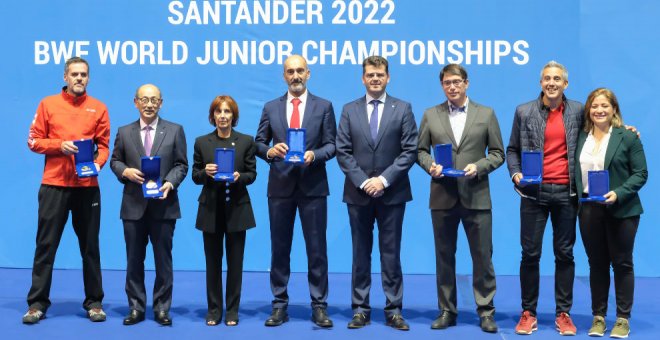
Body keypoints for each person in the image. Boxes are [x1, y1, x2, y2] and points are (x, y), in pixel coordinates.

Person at [417, 64, 504, 333]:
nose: (452, 87)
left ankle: (486, 310)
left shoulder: (486, 114)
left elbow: (498, 153)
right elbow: (420, 150)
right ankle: (447, 310)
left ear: (466, 83)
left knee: (482, 257)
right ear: (442, 85)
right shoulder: (431, 115)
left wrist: (479, 166)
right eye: (446, 83)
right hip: (442, 196)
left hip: (476, 195)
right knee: (444, 256)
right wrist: (430, 165)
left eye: (456, 82)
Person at [24, 56, 110, 324]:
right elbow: (34, 141)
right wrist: (59, 145)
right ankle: (37, 304)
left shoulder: (98, 108)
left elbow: (105, 145)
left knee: (90, 247)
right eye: (74, 74)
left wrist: (97, 163)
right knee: (46, 246)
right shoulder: (48, 104)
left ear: (89, 78)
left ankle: (94, 302)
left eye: (83, 74)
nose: (79, 79)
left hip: (87, 187)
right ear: (65, 77)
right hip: (54, 186)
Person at [254, 54, 337, 328]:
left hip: (313, 187)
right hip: (280, 187)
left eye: (300, 70)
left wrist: (315, 154)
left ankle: (319, 306)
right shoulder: (270, 107)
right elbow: (258, 142)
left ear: (308, 73)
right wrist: (270, 151)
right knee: (280, 249)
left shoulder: (324, 106)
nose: (295, 76)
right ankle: (279, 305)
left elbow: (332, 145)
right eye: (290, 71)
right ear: (284, 76)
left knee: (317, 250)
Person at [336, 55, 417, 331]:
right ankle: (360, 309)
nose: (375, 79)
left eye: (380, 74)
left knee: (390, 254)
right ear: (363, 78)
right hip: (358, 194)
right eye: (370, 74)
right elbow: (343, 151)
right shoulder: (349, 110)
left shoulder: (403, 109)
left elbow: (409, 151)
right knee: (360, 254)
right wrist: (363, 181)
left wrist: (382, 180)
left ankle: (394, 310)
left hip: (392, 194)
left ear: (388, 77)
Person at [506, 61, 583, 336]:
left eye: (557, 79)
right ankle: (528, 313)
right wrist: (515, 174)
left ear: (565, 84)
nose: (552, 83)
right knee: (530, 254)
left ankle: (563, 313)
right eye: (547, 78)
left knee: (565, 254)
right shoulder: (524, 111)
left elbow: (602, 131)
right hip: (533, 193)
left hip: (567, 193)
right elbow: (512, 149)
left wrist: (627, 130)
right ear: (541, 83)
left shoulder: (579, 111)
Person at [110, 84, 188, 326]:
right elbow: (114, 161)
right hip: (133, 206)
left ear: (161, 103)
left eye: (154, 100)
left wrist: (169, 183)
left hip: (164, 206)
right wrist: (126, 172)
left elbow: (181, 165)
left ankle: (162, 308)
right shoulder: (124, 132)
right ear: (135, 102)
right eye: (144, 99)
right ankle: (136, 308)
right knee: (134, 259)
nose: (149, 104)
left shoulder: (175, 130)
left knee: (163, 260)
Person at [575, 88, 647, 338]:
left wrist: (618, 193)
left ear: (614, 109)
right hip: (588, 209)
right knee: (596, 265)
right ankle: (598, 317)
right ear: (589, 110)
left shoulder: (627, 137)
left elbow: (641, 174)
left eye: (605, 105)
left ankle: (622, 319)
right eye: (595, 106)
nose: (599, 110)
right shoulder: (580, 138)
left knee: (622, 263)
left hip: (622, 210)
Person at [192, 95, 257, 327]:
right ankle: (213, 310)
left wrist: (240, 177)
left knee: (235, 263)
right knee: (213, 264)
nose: (222, 116)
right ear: (212, 116)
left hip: (237, 210)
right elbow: (195, 176)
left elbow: (252, 174)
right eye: (218, 112)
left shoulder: (246, 141)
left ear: (234, 116)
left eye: (227, 112)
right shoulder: (201, 142)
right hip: (210, 209)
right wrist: (205, 172)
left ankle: (232, 310)